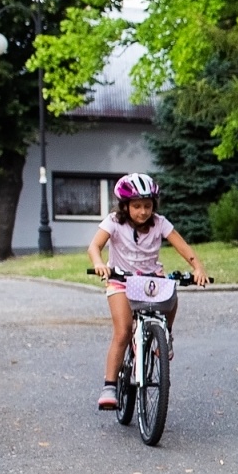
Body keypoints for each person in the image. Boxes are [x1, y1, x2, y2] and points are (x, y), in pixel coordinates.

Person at [86, 174, 209, 410]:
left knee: (171, 293)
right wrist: (99, 263)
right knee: (122, 332)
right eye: (136, 206)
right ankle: (110, 386)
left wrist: (197, 267)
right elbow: (95, 246)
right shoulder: (113, 222)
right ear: (125, 206)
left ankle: (166, 335)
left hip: (150, 279)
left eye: (147, 206)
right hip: (121, 280)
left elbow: (182, 246)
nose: (143, 212)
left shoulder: (160, 223)